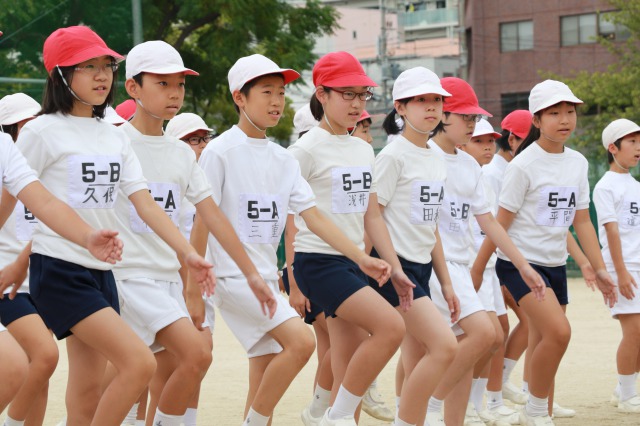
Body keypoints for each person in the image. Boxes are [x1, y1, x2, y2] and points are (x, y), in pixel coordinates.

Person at [13, 26, 215, 426]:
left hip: (104, 273)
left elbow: (147, 205)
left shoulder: (114, 136)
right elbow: (12, 199)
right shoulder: (40, 131)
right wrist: (15, 265)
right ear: (60, 74)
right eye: (88, 67)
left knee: (87, 394)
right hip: (60, 270)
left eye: (106, 65)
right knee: (139, 363)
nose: (102, 75)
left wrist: (188, 254)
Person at [188, 53, 391, 426]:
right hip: (233, 278)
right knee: (301, 341)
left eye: (280, 93)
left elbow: (313, 215)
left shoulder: (281, 159)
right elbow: (204, 218)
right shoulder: (220, 151)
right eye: (266, 92)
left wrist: (361, 258)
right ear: (239, 97)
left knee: (264, 368)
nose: (276, 102)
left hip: (264, 276)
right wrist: (193, 287)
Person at [115, 40, 271, 426]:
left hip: (168, 280)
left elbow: (213, 215)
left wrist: (251, 274)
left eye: (180, 85)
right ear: (133, 88)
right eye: (163, 84)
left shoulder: (182, 153)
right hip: (126, 279)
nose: (175, 93)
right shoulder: (113, 143)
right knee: (190, 356)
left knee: (171, 370)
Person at [471, 79, 617, 426]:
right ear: (536, 120)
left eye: (570, 112)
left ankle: (541, 411)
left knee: (541, 339)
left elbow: (581, 221)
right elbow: (499, 224)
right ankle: (535, 410)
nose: (565, 119)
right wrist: (478, 270)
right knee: (559, 332)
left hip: (555, 264)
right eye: (554, 113)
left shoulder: (577, 162)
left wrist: (597, 267)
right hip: (519, 264)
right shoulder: (523, 165)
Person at [288, 51, 414, 426]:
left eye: (362, 94)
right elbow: (291, 218)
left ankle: (340, 418)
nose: (357, 103)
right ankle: (337, 415)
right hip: (318, 262)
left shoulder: (362, 148)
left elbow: (371, 215)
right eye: (347, 94)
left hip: (353, 263)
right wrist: (292, 278)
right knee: (391, 327)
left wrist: (395, 267)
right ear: (322, 95)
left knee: (347, 353)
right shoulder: (304, 150)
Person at [426, 77, 545, 426]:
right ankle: (427, 405)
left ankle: (450, 417)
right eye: (465, 117)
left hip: (460, 265)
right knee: (484, 334)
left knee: (475, 340)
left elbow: (489, 221)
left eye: (474, 117)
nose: (472, 124)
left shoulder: (467, 165)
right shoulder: (425, 157)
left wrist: (523, 265)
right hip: (432, 265)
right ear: (443, 114)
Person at [374, 66, 460, 426]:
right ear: (400, 107)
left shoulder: (436, 157)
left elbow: (431, 225)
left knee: (416, 358)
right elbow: (372, 217)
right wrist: (394, 269)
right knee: (445, 347)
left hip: (422, 268)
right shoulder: (392, 156)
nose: (431, 107)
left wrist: (446, 282)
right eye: (421, 100)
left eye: (436, 100)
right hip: (397, 268)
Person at [459, 118, 520, 424]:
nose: (487, 147)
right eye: (479, 141)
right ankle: (463, 405)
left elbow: (493, 225)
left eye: (490, 141)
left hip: (489, 265)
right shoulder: (471, 174)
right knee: (483, 336)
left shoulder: (483, 176)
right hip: (469, 267)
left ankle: (478, 402)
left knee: (497, 335)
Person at [164, 111, 217, 426]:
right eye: (192, 140)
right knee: (171, 360)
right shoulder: (167, 182)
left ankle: (187, 421)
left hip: (199, 282)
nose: (201, 145)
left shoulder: (205, 183)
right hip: (169, 281)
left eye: (203, 139)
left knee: (198, 357)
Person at [593, 119, 640, 413]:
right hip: (622, 267)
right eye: (632, 142)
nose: (638, 148)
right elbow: (611, 231)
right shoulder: (605, 186)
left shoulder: (635, 185)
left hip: (638, 265)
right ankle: (627, 397)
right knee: (634, 331)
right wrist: (620, 273)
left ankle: (623, 388)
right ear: (613, 148)